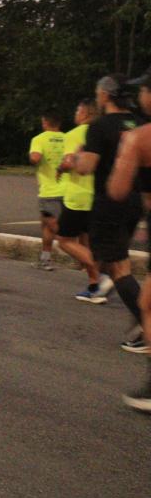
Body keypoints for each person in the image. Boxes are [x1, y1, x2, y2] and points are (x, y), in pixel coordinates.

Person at [75, 74, 146, 353]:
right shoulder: (141, 124)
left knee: (118, 269)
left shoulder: (99, 126)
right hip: (136, 201)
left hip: (110, 201)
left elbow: (86, 167)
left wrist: (79, 156)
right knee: (115, 262)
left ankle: (145, 326)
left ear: (104, 95)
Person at [107, 65, 151, 411]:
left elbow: (118, 189)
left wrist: (125, 156)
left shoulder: (140, 137)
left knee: (148, 306)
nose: (140, 96)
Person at [57, 99, 114, 303]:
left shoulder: (74, 134)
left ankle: (107, 275)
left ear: (85, 113)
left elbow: (71, 160)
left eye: (77, 109)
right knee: (86, 242)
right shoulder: (105, 132)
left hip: (78, 195)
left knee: (64, 240)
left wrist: (61, 167)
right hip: (100, 196)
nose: (75, 113)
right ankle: (94, 288)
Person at [29, 113, 68, 270]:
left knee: (54, 226)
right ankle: (45, 259)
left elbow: (36, 157)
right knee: (45, 224)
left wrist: (33, 158)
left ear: (45, 122)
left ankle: (82, 253)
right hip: (67, 189)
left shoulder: (39, 139)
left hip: (49, 191)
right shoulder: (68, 138)